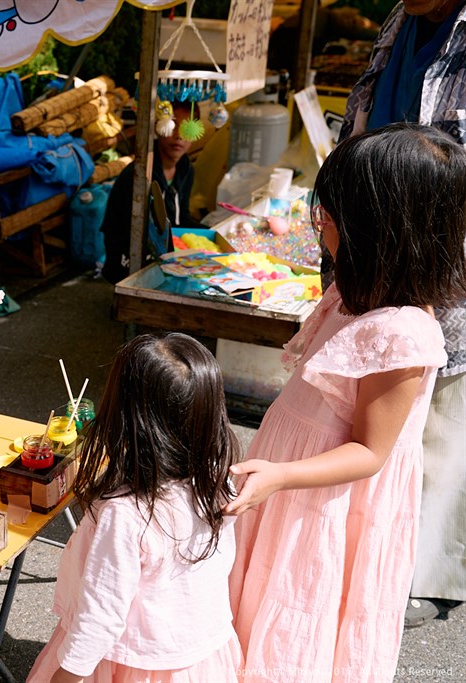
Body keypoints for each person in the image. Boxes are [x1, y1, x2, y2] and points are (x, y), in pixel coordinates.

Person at [226, 124, 466, 683]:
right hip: (290, 482)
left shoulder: (404, 332)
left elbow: (369, 451)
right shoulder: (354, 292)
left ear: (383, 228)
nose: (321, 220)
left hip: (326, 504)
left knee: (294, 613)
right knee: (256, 598)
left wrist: (282, 475)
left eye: (332, 211)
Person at [341, 0, 466, 629]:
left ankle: (424, 579)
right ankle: (368, 551)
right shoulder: (398, 21)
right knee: (380, 412)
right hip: (379, 244)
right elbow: (359, 115)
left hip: (445, 260)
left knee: (442, 425)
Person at [27, 333, 243, 683]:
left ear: (126, 418)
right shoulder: (217, 481)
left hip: (129, 662)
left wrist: (66, 676)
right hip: (200, 652)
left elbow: (102, 611)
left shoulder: (124, 512)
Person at [100, 100, 202, 284]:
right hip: (131, 254)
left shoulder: (186, 169)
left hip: (166, 250)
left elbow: (182, 217)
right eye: (172, 125)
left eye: (187, 128)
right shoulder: (138, 174)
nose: (179, 136)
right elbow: (127, 230)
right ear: (157, 127)